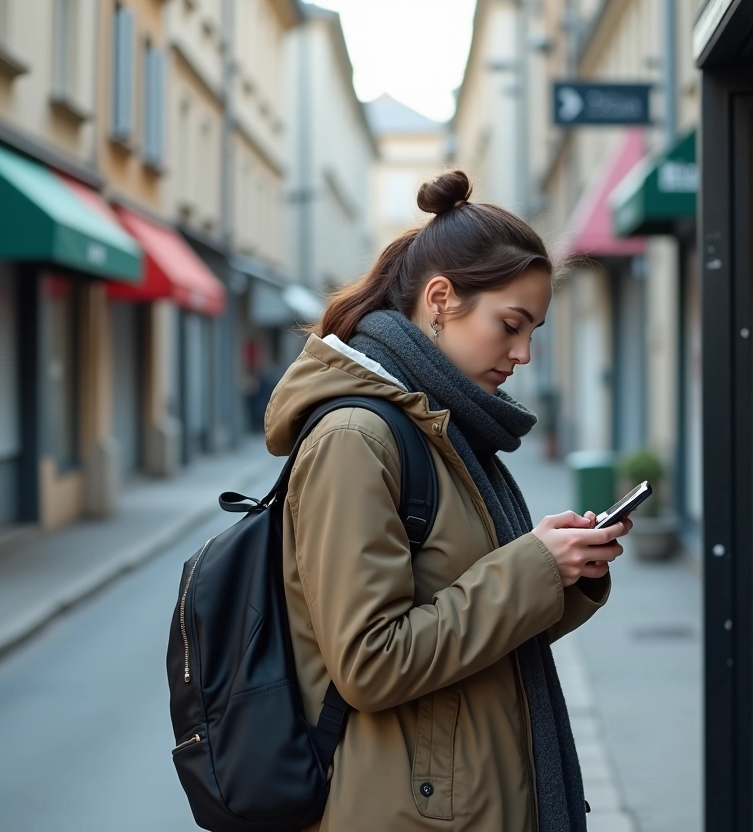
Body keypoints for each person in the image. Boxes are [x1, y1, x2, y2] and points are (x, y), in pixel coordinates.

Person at [263, 169, 630, 831]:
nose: (522, 353)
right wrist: (532, 569)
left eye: (533, 332)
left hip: (469, 795)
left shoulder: (448, 432)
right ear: (440, 299)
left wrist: (565, 568)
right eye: (511, 325)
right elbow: (370, 663)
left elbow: (479, 626)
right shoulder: (358, 437)